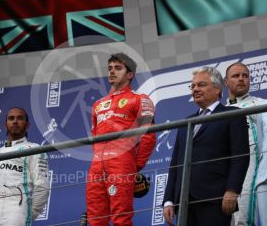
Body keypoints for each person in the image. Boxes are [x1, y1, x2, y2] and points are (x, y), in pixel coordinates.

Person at [163, 66, 249, 226]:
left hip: (215, 198)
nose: (195, 89)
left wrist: (232, 190)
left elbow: (240, 156)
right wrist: (168, 200)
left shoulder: (232, 115)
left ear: (217, 89)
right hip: (184, 202)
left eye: (201, 85)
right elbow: (175, 164)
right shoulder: (185, 123)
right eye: (193, 86)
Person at [86, 53, 156, 225]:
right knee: (95, 218)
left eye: (118, 68)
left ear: (130, 74)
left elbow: (148, 136)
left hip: (122, 163)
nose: (112, 72)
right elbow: (95, 137)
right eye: (110, 68)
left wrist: (134, 165)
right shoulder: (98, 105)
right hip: (96, 165)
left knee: (121, 217)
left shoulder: (140, 99)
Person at [0, 107, 50, 226]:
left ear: (27, 125)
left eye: (20, 118)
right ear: (5, 124)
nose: (15, 121)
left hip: (16, 210)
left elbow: (42, 187)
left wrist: (29, 214)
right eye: (11, 118)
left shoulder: (34, 149)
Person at [225, 62, 267, 226]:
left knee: (243, 220)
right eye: (236, 76)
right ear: (226, 82)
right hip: (226, 174)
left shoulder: (261, 104)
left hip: (256, 169)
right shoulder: (220, 111)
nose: (241, 79)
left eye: (245, 76)